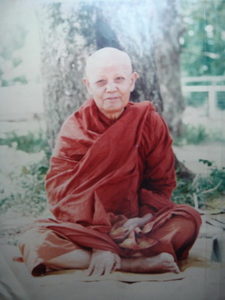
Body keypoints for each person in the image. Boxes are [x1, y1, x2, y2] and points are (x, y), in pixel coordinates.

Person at [18, 47, 201, 276]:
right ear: (88, 85)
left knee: (188, 219)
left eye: (119, 79)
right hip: (85, 226)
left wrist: (141, 218)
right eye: (101, 82)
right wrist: (100, 239)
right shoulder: (75, 128)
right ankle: (130, 264)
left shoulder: (150, 122)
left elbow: (160, 183)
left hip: (136, 223)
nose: (111, 88)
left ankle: (101, 256)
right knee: (33, 239)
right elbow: (61, 191)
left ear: (132, 82)